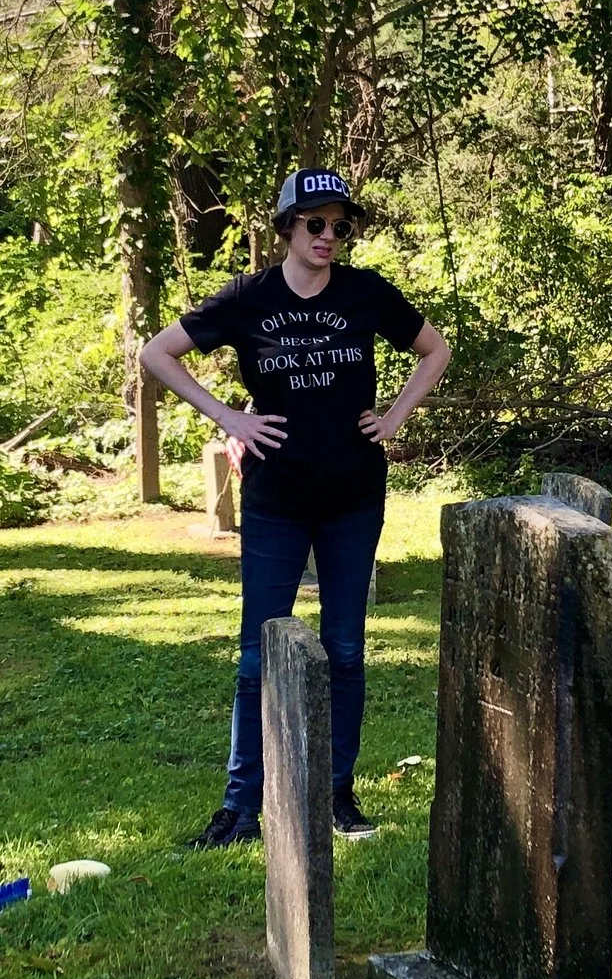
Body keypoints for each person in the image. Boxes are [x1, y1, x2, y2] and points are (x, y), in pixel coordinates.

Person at [141, 168, 452, 846]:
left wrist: (396, 414)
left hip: (352, 495)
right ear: (285, 226)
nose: (329, 237)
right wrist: (228, 416)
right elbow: (157, 352)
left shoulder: (366, 293)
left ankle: (336, 793)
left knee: (344, 648)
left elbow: (435, 349)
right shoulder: (249, 297)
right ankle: (240, 807)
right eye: (316, 223)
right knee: (258, 652)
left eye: (341, 226)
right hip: (276, 498)